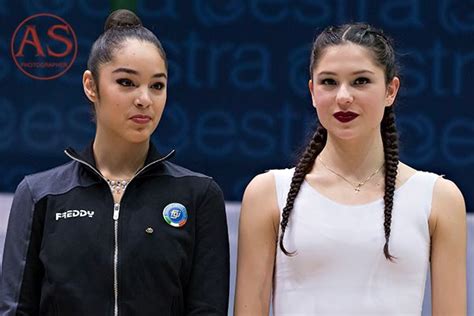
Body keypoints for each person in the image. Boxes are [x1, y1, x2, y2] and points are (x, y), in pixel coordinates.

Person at [0, 9, 229, 316]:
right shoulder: (39, 194)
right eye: (126, 82)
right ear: (90, 86)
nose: (144, 99)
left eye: (157, 85)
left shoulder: (199, 195)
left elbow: (207, 310)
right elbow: (15, 311)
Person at [234, 23, 466, 315]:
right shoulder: (267, 193)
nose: (343, 96)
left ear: (391, 90)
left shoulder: (439, 198)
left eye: (361, 81)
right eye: (329, 82)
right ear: (312, 91)